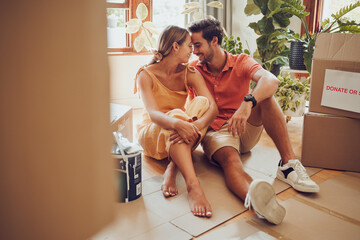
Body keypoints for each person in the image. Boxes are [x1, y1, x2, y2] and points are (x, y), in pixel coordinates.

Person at [183, 19, 320, 224]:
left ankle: (288, 164)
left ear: (214, 41)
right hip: (217, 131)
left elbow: (271, 80)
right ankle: (257, 200)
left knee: (267, 96)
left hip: (244, 126)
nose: (194, 51)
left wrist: (248, 102)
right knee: (231, 161)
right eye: (192, 46)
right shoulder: (194, 69)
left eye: (197, 45)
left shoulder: (241, 61)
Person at [135, 25, 218, 218]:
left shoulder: (190, 73)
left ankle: (173, 166)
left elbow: (212, 107)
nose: (193, 51)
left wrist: (195, 125)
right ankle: (193, 185)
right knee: (175, 115)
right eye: (189, 46)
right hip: (152, 134)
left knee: (202, 102)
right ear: (175, 47)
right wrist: (178, 123)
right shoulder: (145, 75)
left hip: (180, 131)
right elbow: (155, 114)